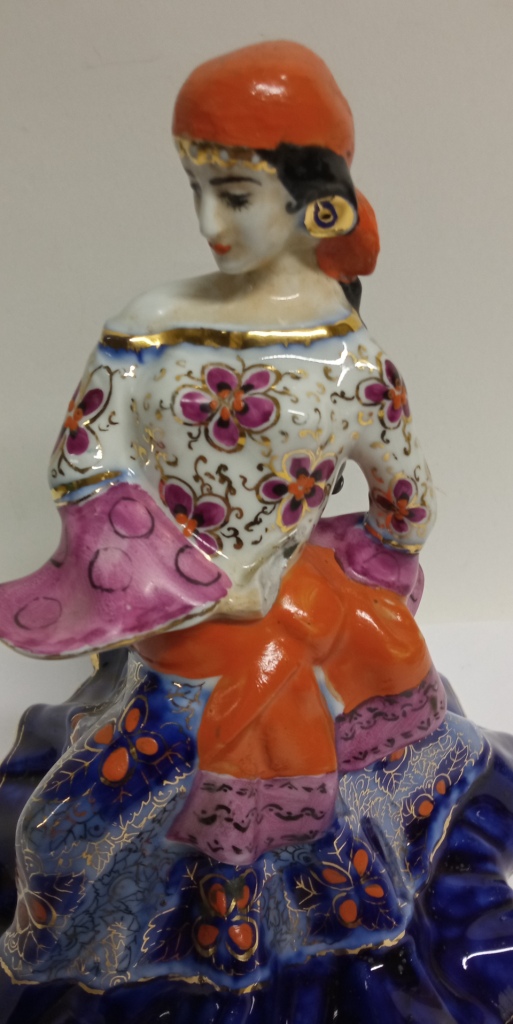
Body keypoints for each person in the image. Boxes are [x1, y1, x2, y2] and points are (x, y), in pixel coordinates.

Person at [0, 40, 511, 1024]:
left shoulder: (148, 326)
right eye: (199, 189)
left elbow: (82, 463)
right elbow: (410, 504)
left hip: (197, 624)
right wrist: (368, 553)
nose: (208, 223)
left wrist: (161, 562)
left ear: (317, 203)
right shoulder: (351, 362)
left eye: (232, 193)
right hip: (219, 622)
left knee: (88, 819)